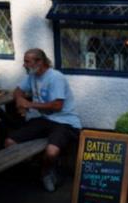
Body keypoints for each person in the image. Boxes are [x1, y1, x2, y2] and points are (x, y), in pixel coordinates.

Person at [5, 48, 82, 192]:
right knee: (10, 142)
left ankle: (45, 172)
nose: (24, 65)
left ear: (40, 62)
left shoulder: (55, 77)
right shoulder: (32, 75)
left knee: (52, 152)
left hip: (65, 122)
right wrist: (20, 101)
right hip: (44, 119)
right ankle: (32, 166)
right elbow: (17, 91)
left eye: (27, 62)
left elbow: (57, 106)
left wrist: (29, 104)